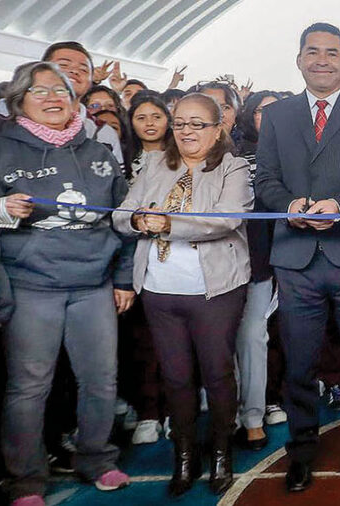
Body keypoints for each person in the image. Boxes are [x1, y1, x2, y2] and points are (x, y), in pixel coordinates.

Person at [254, 22, 340, 492]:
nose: (322, 60)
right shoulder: (277, 116)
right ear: (299, 60)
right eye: (313, 51)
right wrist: (288, 205)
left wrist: (339, 206)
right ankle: (302, 452)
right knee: (299, 362)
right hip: (296, 258)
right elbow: (265, 179)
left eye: (332, 53)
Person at [0, 61, 135, 505]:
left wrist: (124, 278)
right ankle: (26, 479)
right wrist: (2, 210)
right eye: (39, 91)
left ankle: (96, 458)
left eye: (61, 90)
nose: (53, 98)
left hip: (94, 285)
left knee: (101, 379)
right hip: (30, 286)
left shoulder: (97, 152)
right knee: (29, 386)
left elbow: (123, 220)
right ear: (18, 101)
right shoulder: (1, 148)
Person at [113, 92, 251, 496]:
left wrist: (169, 224)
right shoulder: (155, 164)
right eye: (180, 123)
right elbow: (122, 214)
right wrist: (138, 219)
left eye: (197, 124)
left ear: (217, 129)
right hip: (159, 290)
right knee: (175, 377)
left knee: (217, 372)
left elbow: (226, 220)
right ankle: (185, 455)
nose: (187, 131)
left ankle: (222, 453)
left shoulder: (233, 167)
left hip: (214, 291)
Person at [231, 89, 287, 449]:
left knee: (254, 337)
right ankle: (227, 414)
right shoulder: (229, 156)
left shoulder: (290, 154)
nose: (269, 117)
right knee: (220, 343)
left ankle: (254, 416)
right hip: (221, 262)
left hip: (263, 261)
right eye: (261, 111)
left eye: (276, 110)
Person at [120, 92, 172, 446]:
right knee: (139, 342)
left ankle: (172, 411)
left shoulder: (181, 157)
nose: (150, 123)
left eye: (157, 116)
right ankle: (147, 411)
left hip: (169, 257)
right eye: (141, 117)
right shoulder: (120, 161)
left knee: (173, 343)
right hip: (128, 257)